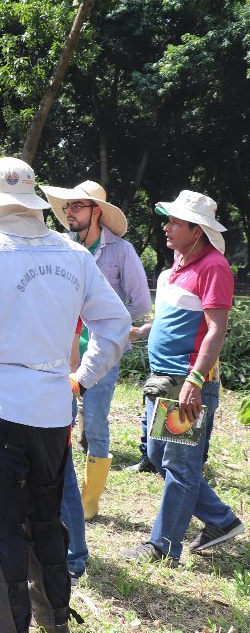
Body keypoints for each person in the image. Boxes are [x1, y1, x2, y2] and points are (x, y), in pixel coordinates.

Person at [0, 157, 130, 633]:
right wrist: (82, 378)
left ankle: (9, 626)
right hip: (55, 407)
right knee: (47, 520)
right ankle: (54, 621)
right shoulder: (74, 255)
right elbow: (116, 326)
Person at [122, 191, 244, 565]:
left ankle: (162, 547)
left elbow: (215, 330)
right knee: (160, 457)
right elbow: (171, 319)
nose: (166, 227)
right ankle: (221, 521)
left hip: (186, 382)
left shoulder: (213, 266)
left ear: (197, 230)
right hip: (165, 379)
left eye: (175, 222)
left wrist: (195, 379)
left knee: (181, 466)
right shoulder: (178, 265)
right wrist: (141, 332)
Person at [40, 181, 152, 582]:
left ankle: (88, 502)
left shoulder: (119, 251)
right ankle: (72, 503)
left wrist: (111, 322)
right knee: (63, 430)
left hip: (100, 355)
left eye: (77, 207)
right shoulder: (64, 249)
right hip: (61, 354)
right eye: (66, 207)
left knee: (97, 426)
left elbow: (140, 303)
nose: (69, 213)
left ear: (96, 211)